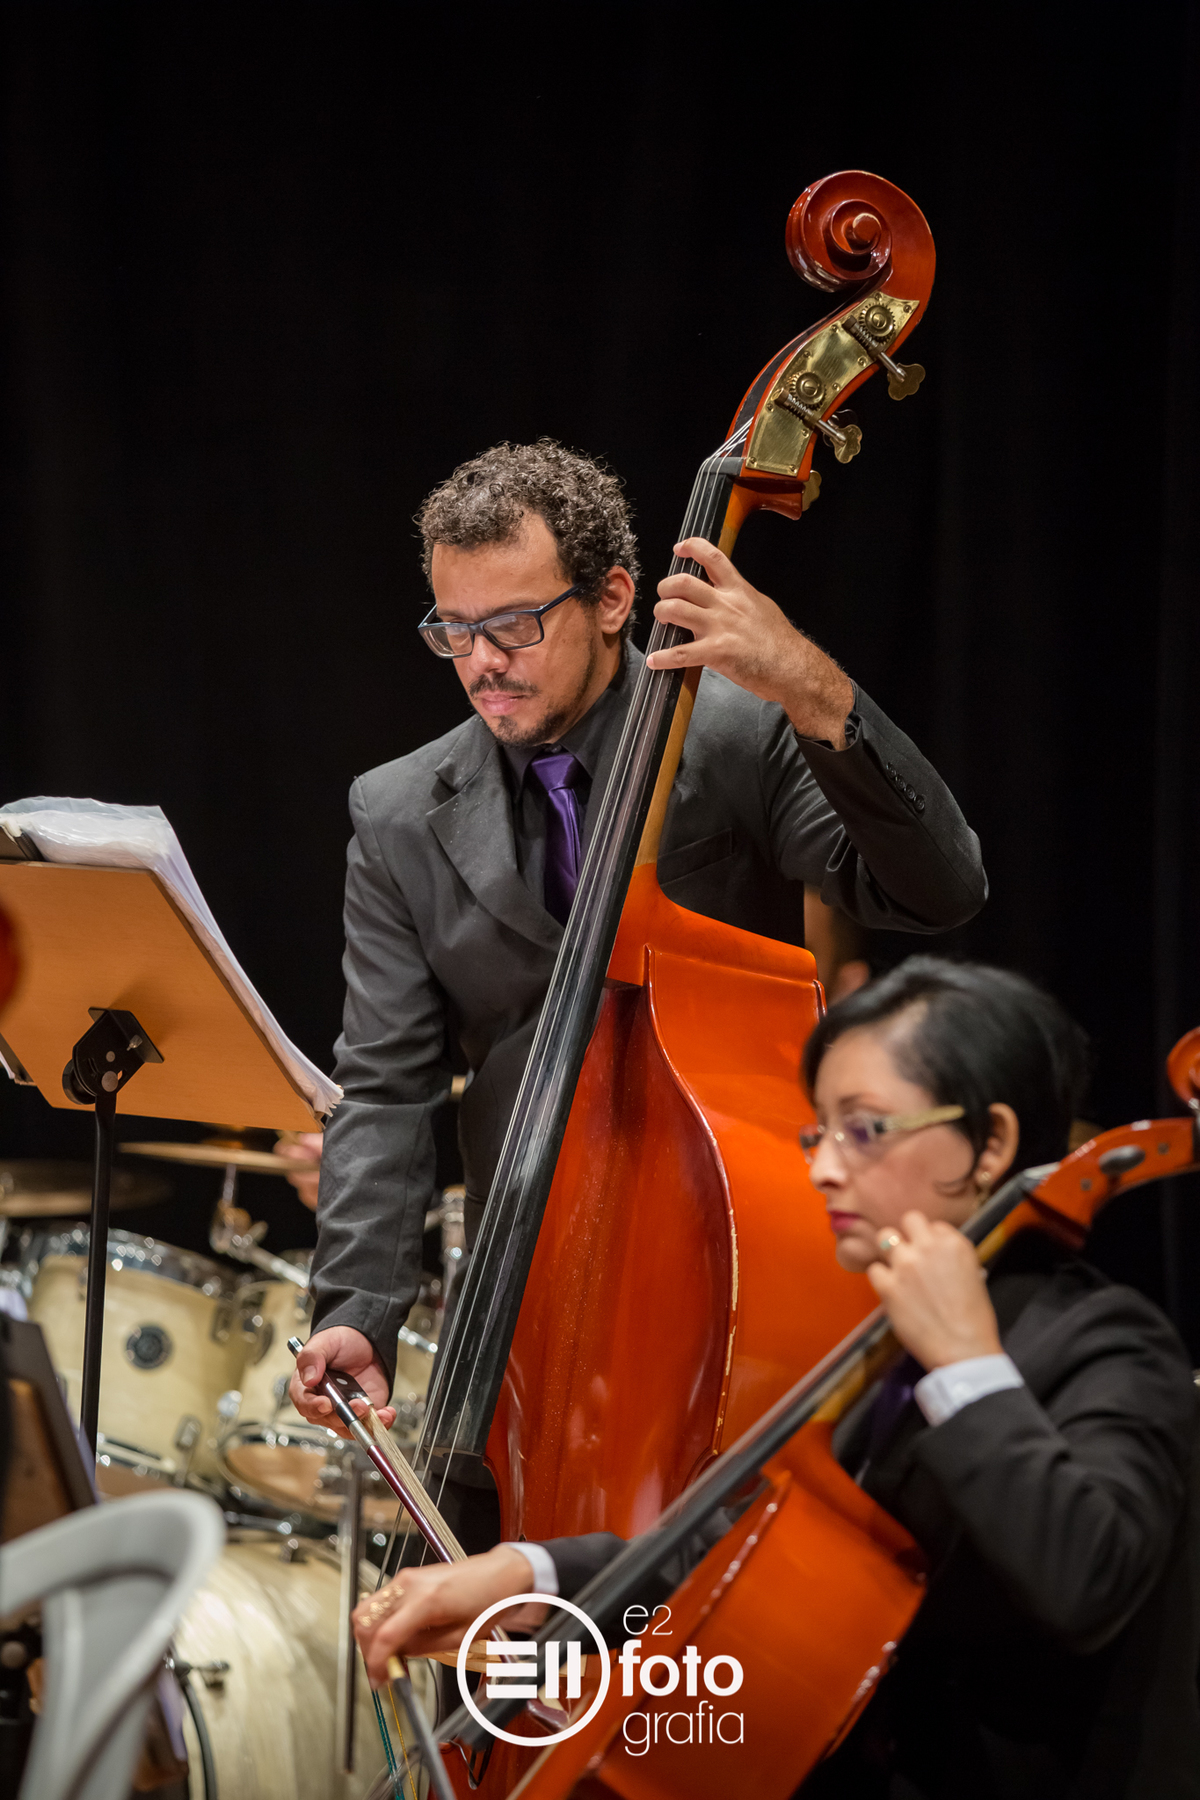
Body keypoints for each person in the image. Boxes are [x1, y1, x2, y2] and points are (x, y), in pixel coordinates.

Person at [290, 441, 987, 1482]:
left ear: (614, 598)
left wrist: (812, 689)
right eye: (455, 631)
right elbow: (387, 1088)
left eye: (514, 625)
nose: (482, 663)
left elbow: (937, 891)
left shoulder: (737, 737)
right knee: (487, 1566)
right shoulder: (395, 813)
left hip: (722, 1253)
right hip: (520, 1290)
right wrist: (357, 1310)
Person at [351, 959, 1200, 1799]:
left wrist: (966, 1367)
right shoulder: (886, 1351)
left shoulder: (1111, 1342)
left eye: (864, 1129)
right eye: (818, 1133)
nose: (823, 1168)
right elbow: (728, 1557)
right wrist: (527, 1577)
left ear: (993, 1144)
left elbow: (1087, 1582)